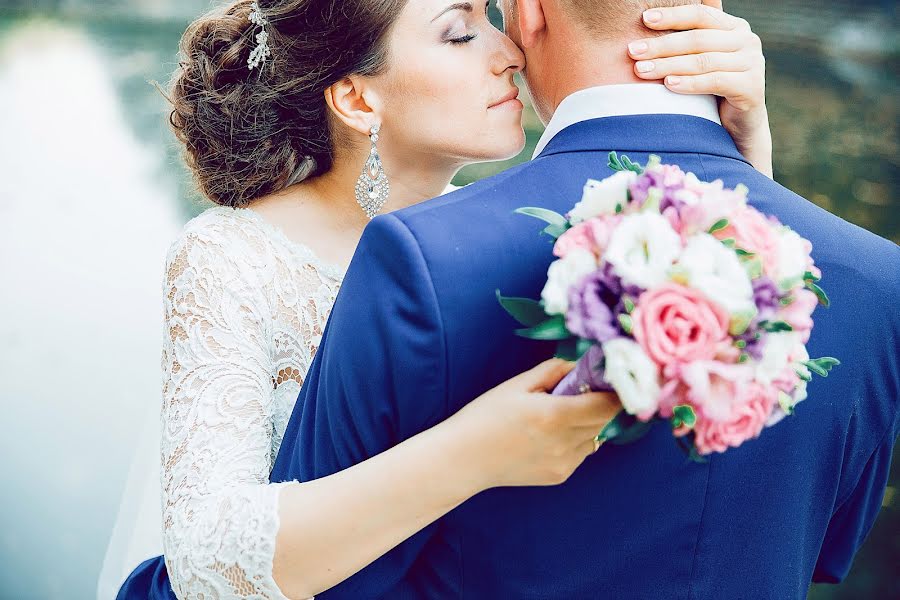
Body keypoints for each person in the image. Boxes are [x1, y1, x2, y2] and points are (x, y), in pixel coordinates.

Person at [113, 0, 776, 598]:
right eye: (460, 35)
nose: (509, 52)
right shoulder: (232, 258)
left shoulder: (523, 232)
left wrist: (745, 150)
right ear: (357, 100)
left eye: (492, 20)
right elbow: (205, 558)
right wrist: (478, 453)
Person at [270, 0, 900, 598]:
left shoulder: (418, 256)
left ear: (531, 12)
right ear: (709, 9)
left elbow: (315, 578)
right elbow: (827, 545)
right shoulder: (877, 280)